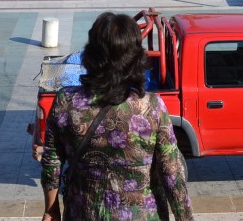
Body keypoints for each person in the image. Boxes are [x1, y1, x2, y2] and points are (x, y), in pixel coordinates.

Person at [41, 12, 193, 221]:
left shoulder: (66, 101)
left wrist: (51, 210)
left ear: (91, 55)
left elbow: (52, 161)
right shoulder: (151, 107)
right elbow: (172, 173)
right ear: (135, 59)